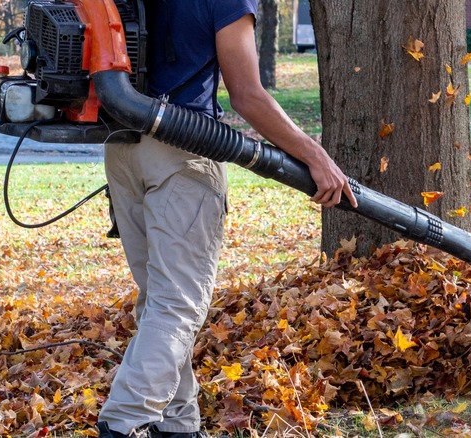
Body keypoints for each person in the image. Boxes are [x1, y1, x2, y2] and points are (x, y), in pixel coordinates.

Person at [96, 0, 357, 437]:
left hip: (122, 146)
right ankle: (124, 422)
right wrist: (315, 154)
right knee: (178, 304)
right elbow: (248, 95)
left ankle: (178, 426)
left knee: (159, 300)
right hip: (182, 150)